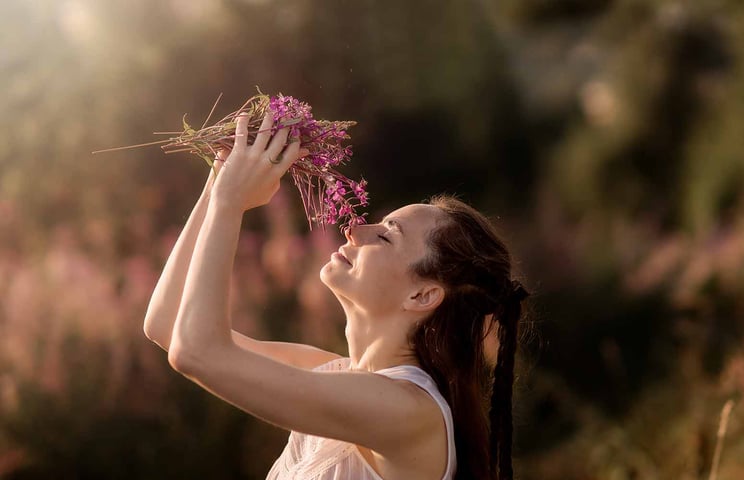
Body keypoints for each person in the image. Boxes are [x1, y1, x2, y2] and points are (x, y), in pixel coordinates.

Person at [143, 112, 530, 480]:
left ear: (422, 295)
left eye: (386, 235)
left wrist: (230, 203)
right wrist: (221, 177)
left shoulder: (409, 411)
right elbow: (167, 324)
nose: (355, 231)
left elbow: (196, 352)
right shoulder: (334, 374)